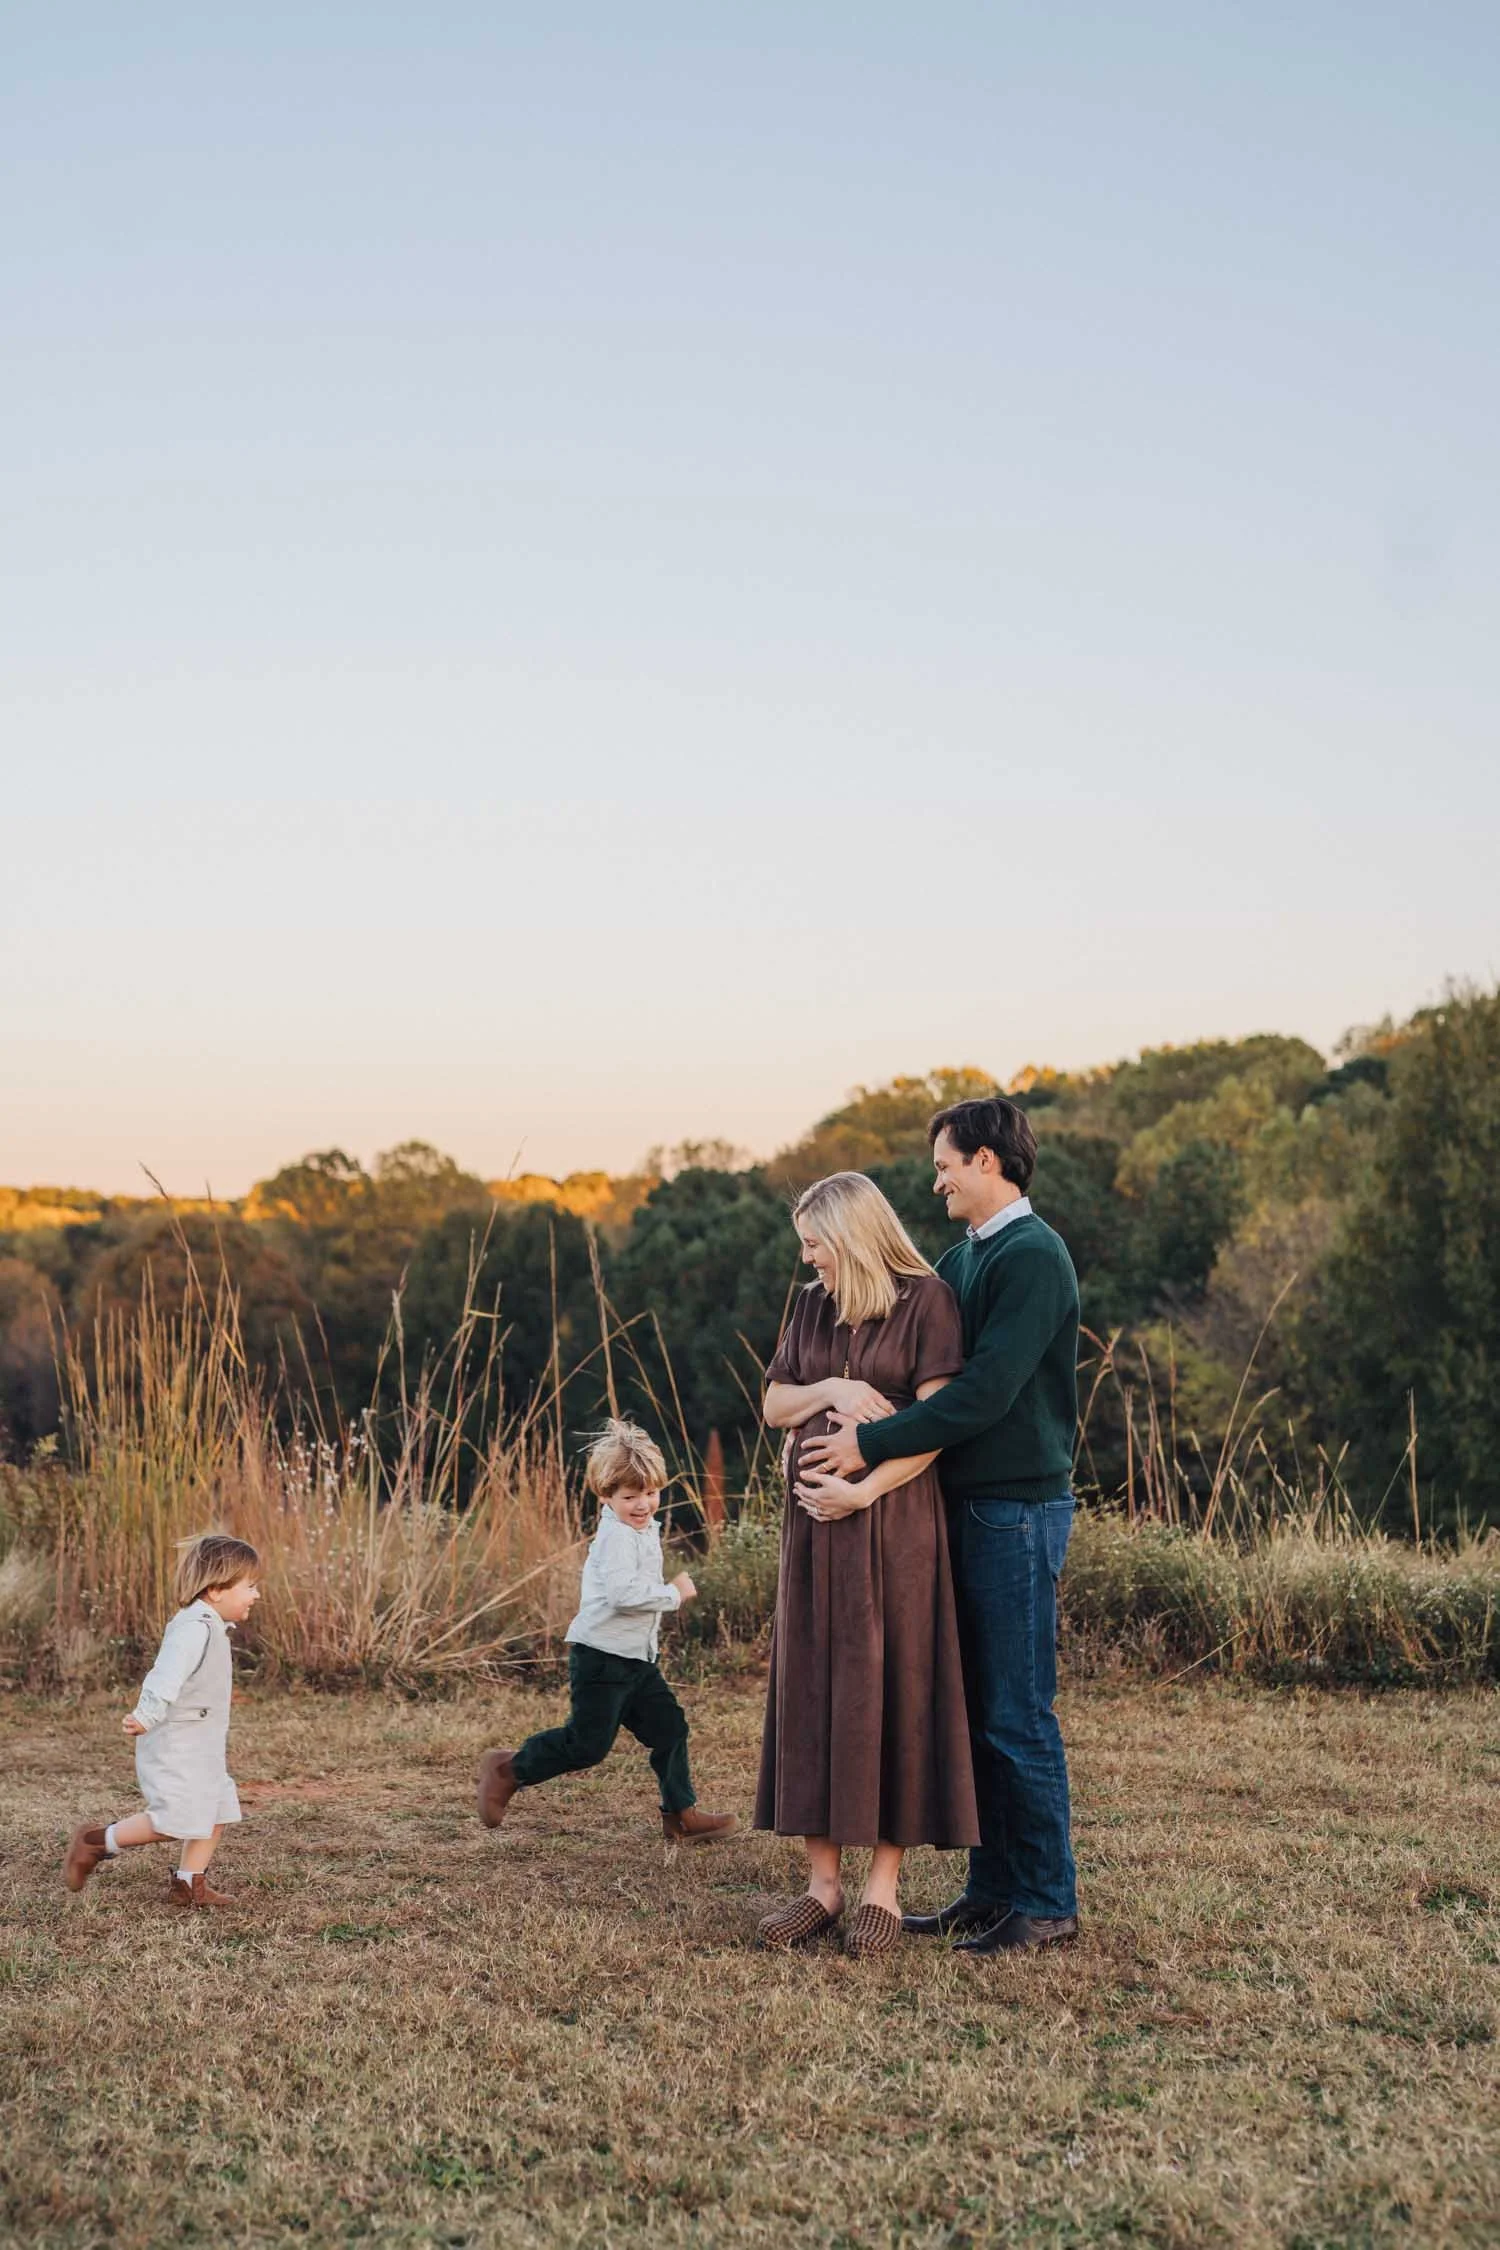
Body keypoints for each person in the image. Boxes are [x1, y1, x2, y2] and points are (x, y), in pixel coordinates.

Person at [800, 1098, 1081, 1954]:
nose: (936, 1180)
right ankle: (990, 1888)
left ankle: (1046, 1901)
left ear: (989, 1160)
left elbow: (981, 1394)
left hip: (1017, 1509)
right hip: (962, 1506)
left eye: (946, 1163)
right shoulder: (963, 1258)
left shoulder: (1034, 1259)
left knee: (1017, 1713)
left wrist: (867, 1445)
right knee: (975, 1707)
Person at [755, 1172, 978, 1958]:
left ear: (850, 1235)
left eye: (814, 1242)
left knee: (892, 1689)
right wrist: (835, 1383)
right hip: (811, 1536)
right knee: (813, 1684)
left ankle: (883, 1887)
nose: (806, 1256)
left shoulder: (926, 1300)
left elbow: (936, 1425)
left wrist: (864, 1493)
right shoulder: (813, 1304)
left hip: (893, 1529)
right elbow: (775, 1405)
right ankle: (821, 1887)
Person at [476, 1420, 737, 1844]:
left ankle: (681, 1815)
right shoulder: (616, 1537)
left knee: (670, 1729)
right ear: (606, 1496)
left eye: (650, 1493)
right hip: (601, 1658)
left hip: (637, 1660)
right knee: (587, 1746)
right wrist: (672, 1594)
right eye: (629, 1497)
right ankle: (508, 1770)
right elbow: (622, 1595)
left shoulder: (643, 1529)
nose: (642, 1505)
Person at [63, 1532, 261, 1908]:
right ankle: (95, 1841)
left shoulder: (209, 1624)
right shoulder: (194, 1627)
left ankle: (189, 1884)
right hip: (177, 1743)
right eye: (249, 1586)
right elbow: (165, 1674)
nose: (255, 1595)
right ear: (217, 1590)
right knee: (175, 1818)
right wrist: (146, 1715)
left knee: (216, 1805)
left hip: (200, 1742)